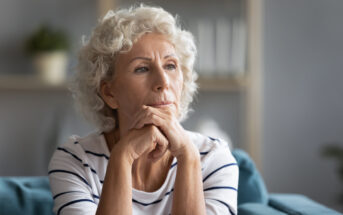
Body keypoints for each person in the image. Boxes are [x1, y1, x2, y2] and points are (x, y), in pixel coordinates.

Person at [48, 5, 238, 215]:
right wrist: (122, 156)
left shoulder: (213, 158)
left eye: (171, 66)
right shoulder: (75, 159)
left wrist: (187, 156)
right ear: (109, 93)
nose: (163, 82)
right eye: (142, 69)